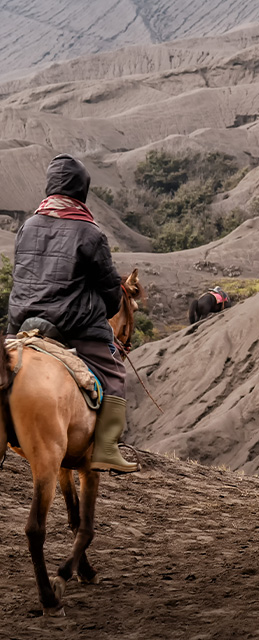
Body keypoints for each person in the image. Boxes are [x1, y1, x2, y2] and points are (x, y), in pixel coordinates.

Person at [6, 154, 138, 473]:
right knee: (115, 373)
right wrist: (101, 312)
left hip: (23, 320)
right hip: (72, 326)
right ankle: (106, 448)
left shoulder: (28, 226)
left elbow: (20, 276)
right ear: (82, 189)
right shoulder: (90, 233)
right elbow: (110, 291)